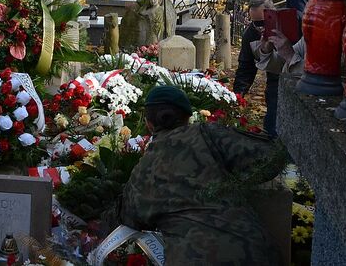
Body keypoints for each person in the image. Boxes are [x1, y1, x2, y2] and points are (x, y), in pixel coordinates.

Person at [119, 86, 280, 265]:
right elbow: (272, 158)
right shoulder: (208, 134)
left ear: (149, 123)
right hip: (253, 251)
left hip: (192, 257)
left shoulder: (142, 172)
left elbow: (130, 218)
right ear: (188, 117)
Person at [233, 0, 285, 136]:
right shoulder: (250, 34)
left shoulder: (287, 24)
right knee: (272, 117)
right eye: (256, 23)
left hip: (293, 74)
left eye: (263, 22)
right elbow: (246, 67)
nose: (260, 28)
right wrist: (238, 95)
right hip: (274, 78)